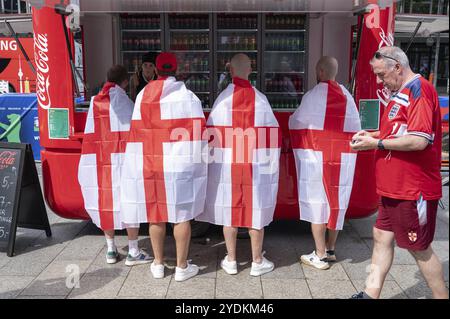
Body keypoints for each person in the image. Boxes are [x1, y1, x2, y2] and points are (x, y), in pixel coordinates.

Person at [350, 46, 448, 299]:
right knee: (381, 236)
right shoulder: (401, 91)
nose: (381, 81)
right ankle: (370, 295)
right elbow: (398, 131)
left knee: (419, 248)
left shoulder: (420, 90)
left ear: (397, 67)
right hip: (393, 186)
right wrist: (371, 136)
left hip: (412, 188)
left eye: (382, 75)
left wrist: (377, 144)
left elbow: (419, 140)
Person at [120, 53, 207, 282]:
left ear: (156, 70)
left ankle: (158, 264)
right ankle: (181, 267)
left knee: (156, 215)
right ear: (177, 69)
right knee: (182, 215)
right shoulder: (188, 97)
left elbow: (136, 132)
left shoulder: (142, 96)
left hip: (151, 162)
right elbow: (199, 134)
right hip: (179, 166)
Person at [196, 53, 281, 276]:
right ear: (250, 70)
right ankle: (257, 261)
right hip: (254, 165)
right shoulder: (261, 100)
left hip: (227, 166)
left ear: (230, 71)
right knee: (256, 210)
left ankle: (232, 260)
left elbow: (211, 136)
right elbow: (273, 138)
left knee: (228, 209)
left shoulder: (221, 101)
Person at [289, 56, 361, 270]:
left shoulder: (312, 96)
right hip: (342, 159)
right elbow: (355, 126)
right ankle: (330, 249)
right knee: (336, 202)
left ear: (320, 71)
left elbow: (297, 121)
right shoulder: (347, 96)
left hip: (317, 158)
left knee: (317, 202)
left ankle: (319, 254)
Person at [78, 65, 152, 266]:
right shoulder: (124, 101)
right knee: (130, 200)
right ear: (125, 81)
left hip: (101, 161)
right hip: (123, 160)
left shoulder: (95, 101)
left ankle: (111, 249)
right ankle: (134, 251)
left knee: (104, 201)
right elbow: (136, 130)